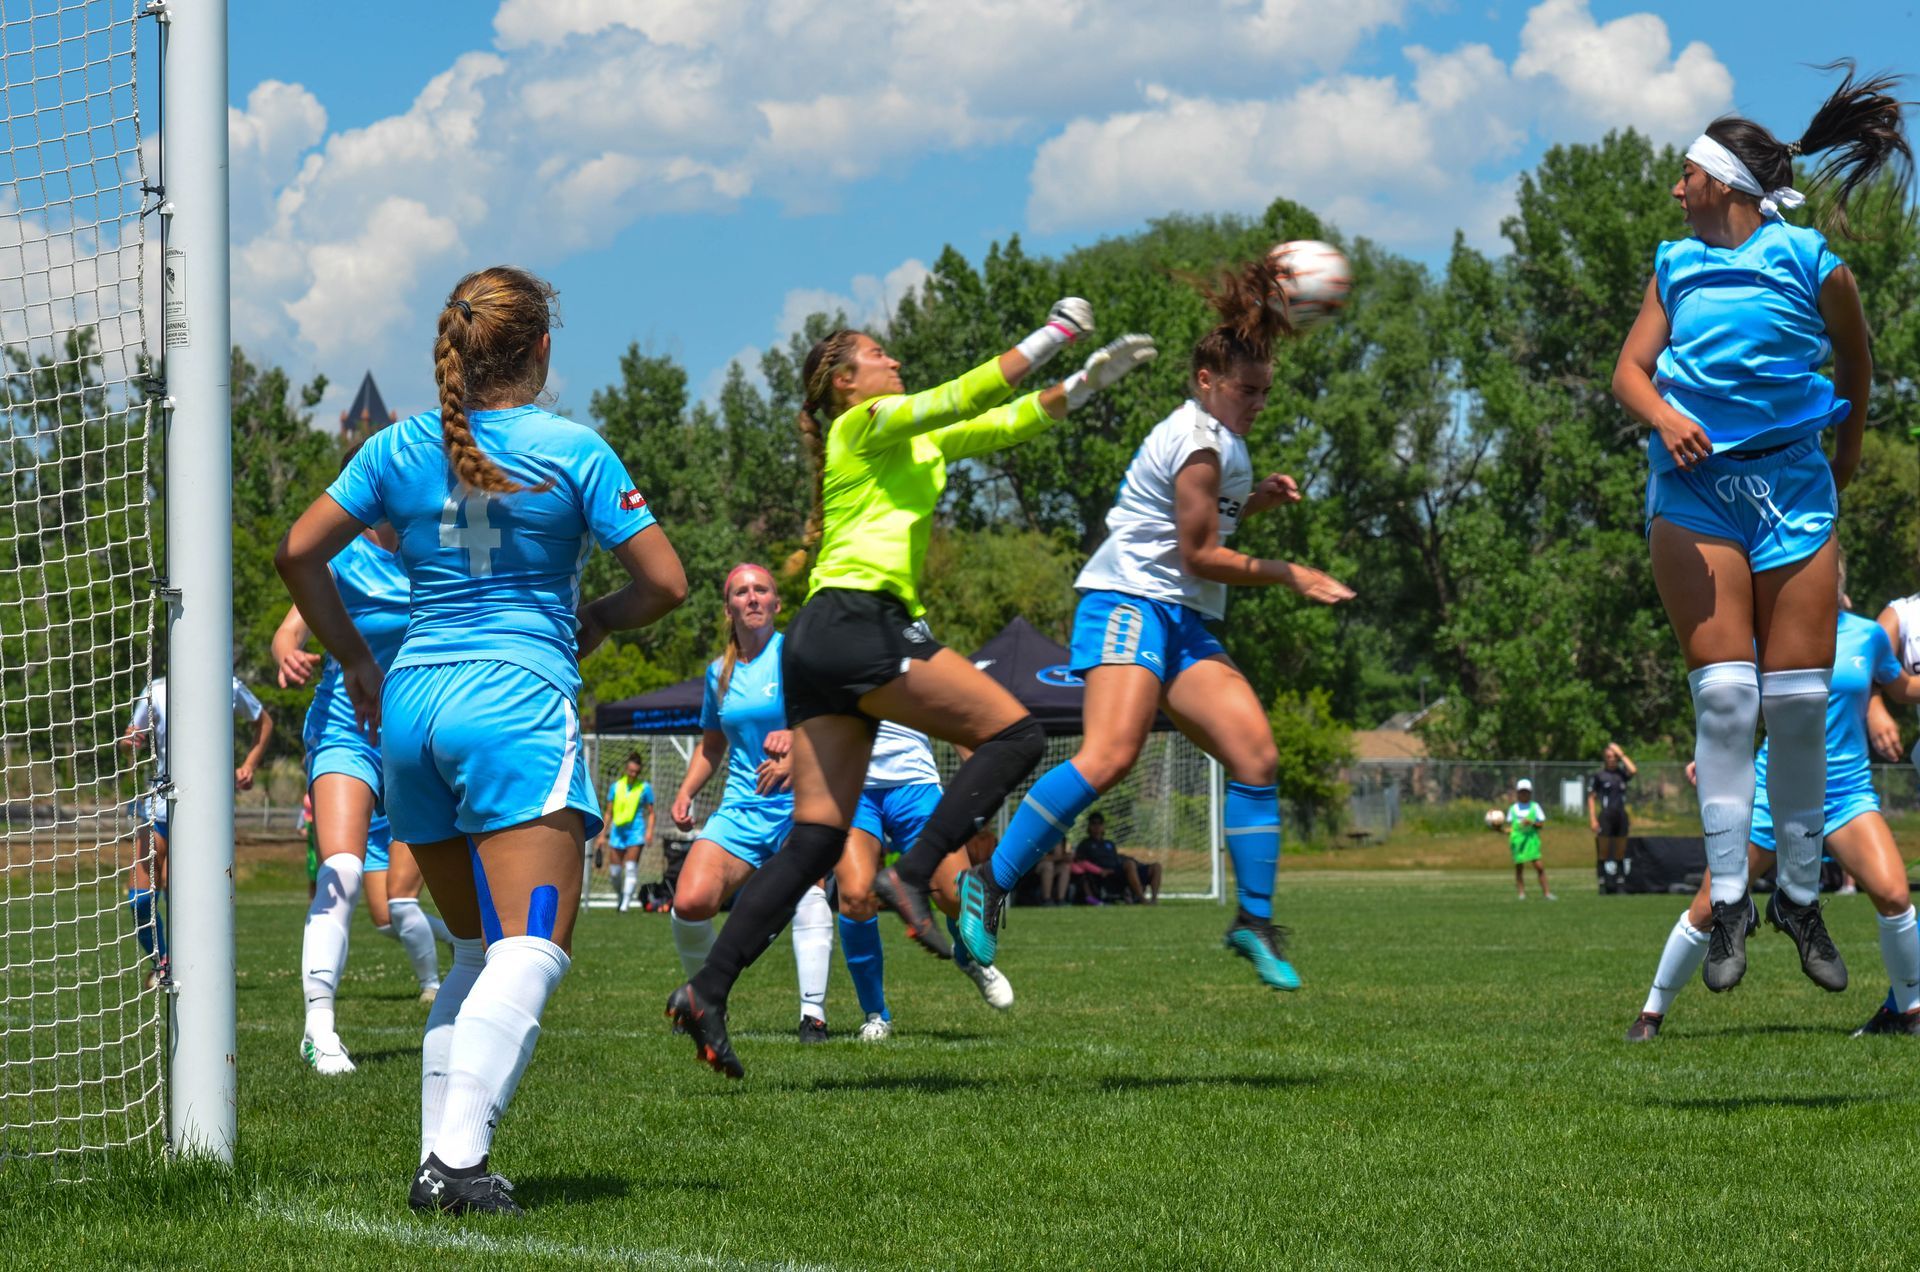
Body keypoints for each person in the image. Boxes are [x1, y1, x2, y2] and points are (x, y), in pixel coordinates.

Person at [276, 265, 687, 1215]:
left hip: (412, 711)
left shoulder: (395, 448)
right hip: (513, 705)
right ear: (541, 348)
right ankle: (455, 1165)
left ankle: (438, 1161)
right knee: (532, 945)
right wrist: (596, 616)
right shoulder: (575, 449)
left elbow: (296, 551)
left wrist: (358, 663)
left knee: (476, 946)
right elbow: (665, 583)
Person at [667, 297, 1157, 1077]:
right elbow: (964, 394)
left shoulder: (908, 439)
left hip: (822, 642)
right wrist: (1054, 335)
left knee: (817, 841)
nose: (894, 361)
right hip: (861, 622)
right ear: (844, 383)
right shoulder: (858, 426)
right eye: (879, 355)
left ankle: (707, 991)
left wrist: (1089, 384)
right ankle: (915, 869)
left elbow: (1001, 422)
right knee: (1018, 734)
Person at [955, 258, 1353, 992]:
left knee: (1257, 757)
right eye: (1247, 390)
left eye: (1266, 391)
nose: (1259, 402)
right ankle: (991, 880)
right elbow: (1201, 553)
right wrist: (1292, 574)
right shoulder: (1199, 440)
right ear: (1206, 381)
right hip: (1127, 604)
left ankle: (1253, 923)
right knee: (1110, 755)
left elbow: (1193, 527)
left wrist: (1255, 499)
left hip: (1180, 616)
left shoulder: (1224, 441)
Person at [1610, 64, 1910, 992]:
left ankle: (1802, 902)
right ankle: (1734, 896)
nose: (1675, 188)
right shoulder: (1674, 262)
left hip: (1793, 495)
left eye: (1686, 174)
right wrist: (1663, 417)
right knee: (1730, 702)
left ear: (1724, 184)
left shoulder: (1812, 260)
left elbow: (1860, 370)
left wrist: (1848, 458)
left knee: (1795, 708)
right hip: (1696, 494)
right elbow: (1629, 371)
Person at [1628, 594, 1920, 1040]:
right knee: (1709, 906)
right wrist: (1709, 759)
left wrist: (1881, 707)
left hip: (1846, 795)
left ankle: (1910, 1014)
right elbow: (1731, 701)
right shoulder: (1771, 632)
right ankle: (1651, 1014)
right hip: (1771, 793)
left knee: (1895, 895)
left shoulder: (1870, 635)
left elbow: (1899, 688)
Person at [274, 510, 446, 1073]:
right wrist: (285, 653)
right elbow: (289, 629)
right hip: (347, 727)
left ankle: (458, 1000)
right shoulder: (341, 557)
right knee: (342, 871)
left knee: (423, 893)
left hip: (418, 729)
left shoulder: (436, 549)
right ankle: (319, 1029)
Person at [667, 563, 836, 1042]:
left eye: (762, 589)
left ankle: (813, 1016)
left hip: (801, 804)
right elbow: (712, 745)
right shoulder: (717, 673)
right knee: (690, 901)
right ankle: (706, 999)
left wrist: (798, 747)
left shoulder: (796, 656)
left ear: (777, 604)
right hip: (741, 809)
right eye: (742, 592)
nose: (753, 597)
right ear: (729, 609)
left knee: (810, 892)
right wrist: (685, 791)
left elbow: (835, 721)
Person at [835, 721, 1015, 1041]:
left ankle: (967, 955)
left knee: (957, 897)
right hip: (851, 785)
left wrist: (982, 776)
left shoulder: (917, 668)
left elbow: (944, 709)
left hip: (915, 785)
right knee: (855, 897)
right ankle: (876, 1014)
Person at [121, 663, 273, 989]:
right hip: (160, 806)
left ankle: (186, 966)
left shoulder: (226, 686)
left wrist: (248, 765)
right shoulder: (157, 691)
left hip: (205, 811)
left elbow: (264, 722)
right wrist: (133, 739)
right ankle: (163, 961)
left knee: (186, 894)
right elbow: (132, 734)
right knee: (140, 899)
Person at [597, 753, 656, 913]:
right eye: (630, 770)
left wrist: (649, 832)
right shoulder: (615, 787)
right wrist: (602, 834)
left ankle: (625, 905)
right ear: (626, 769)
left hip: (636, 832)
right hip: (617, 832)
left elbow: (651, 812)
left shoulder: (644, 788)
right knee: (615, 872)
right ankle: (620, 896)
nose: (633, 774)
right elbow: (608, 812)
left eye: (636, 772)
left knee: (630, 867)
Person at [1072, 812, 1160, 904]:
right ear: (1089, 826)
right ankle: (1142, 899)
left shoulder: (1109, 843)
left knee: (1156, 867)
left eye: (1100, 823)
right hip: (1105, 875)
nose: (1097, 827)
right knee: (1129, 864)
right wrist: (1100, 870)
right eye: (1094, 823)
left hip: (1118, 870)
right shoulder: (1085, 844)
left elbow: (1116, 858)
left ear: (1103, 826)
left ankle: (1154, 899)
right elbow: (1081, 863)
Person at [1587, 743, 1637, 891]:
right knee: (1603, 850)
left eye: (1614, 757)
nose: (1612, 759)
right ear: (1605, 758)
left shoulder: (1621, 774)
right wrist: (1593, 819)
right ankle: (1603, 882)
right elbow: (1591, 798)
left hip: (1621, 815)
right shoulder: (1599, 776)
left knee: (1620, 850)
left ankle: (1620, 882)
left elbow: (1633, 770)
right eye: (1609, 756)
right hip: (1606, 815)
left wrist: (1621, 754)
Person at [1505, 779, 1554, 901]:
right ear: (1518, 793)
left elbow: (1541, 824)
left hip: (1531, 840)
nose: (1524, 794)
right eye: (1521, 792)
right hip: (1518, 841)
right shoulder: (1513, 808)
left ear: (1530, 793)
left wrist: (1531, 823)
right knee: (1519, 867)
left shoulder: (1534, 806)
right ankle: (1521, 894)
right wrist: (1498, 829)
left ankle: (1546, 893)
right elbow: (1511, 829)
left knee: (1539, 867)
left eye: (1526, 792)